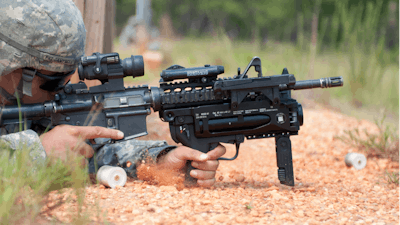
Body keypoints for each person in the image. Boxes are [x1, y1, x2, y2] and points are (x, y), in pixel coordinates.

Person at [0, 0, 225, 187]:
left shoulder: (24, 104)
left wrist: (159, 161)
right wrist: (36, 152)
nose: (64, 86)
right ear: (11, 66)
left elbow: (92, 153)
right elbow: (44, 149)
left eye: (70, 74)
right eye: (54, 80)